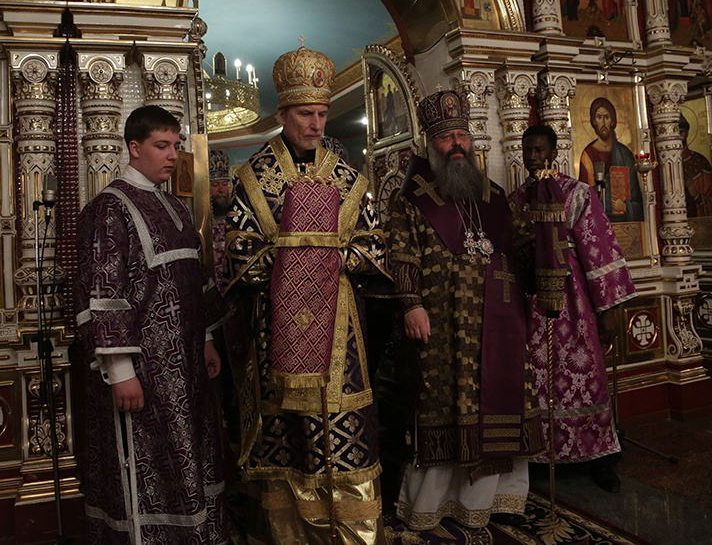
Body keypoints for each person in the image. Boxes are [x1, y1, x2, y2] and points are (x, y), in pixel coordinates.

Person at [224, 44, 391, 544]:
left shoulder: (349, 177)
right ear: (283, 114)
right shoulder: (253, 177)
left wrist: (329, 257)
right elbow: (238, 252)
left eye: (321, 113)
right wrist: (295, 260)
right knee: (288, 436)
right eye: (305, 114)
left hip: (341, 329)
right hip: (279, 328)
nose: (316, 123)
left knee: (345, 430)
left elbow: (373, 244)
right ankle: (290, 534)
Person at [384, 89, 541, 530]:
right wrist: (411, 303)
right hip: (441, 322)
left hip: (500, 322)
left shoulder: (492, 195)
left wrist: (546, 243)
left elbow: (522, 247)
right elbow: (401, 254)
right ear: (429, 144)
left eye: (462, 135)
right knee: (442, 402)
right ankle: (432, 505)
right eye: (446, 137)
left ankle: (492, 500)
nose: (456, 144)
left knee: (499, 397)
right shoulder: (412, 198)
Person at [75, 106, 228, 545]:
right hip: (145, 374)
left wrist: (208, 341)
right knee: (147, 465)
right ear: (134, 148)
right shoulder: (108, 208)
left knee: (190, 458)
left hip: (187, 370)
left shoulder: (176, 208)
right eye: (162, 146)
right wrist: (121, 371)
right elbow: (103, 292)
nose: (172, 155)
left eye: (176, 146)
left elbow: (196, 283)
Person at [511, 124, 637, 493]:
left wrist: (608, 308)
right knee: (535, 382)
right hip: (531, 304)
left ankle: (599, 456)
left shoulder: (577, 194)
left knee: (586, 380)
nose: (533, 157)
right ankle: (537, 455)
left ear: (552, 151)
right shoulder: (517, 200)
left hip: (575, 304)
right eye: (527, 150)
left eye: (539, 150)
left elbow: (597, 249)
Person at [578, 97, 644, 222]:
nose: (603, 123)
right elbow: (582, 197)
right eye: (599, 117)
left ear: (613, 122)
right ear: (593, 122)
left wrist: (625, 206)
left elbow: (637, 197)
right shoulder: (587, 155)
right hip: (599, 221)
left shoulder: (625, 154)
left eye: (606, 117)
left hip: (623, 221)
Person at [679, 115, 712, 218]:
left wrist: (695, 195)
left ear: (687, 133)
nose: (679, 137)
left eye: (682, 132)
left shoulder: (699, 163)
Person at [208, 148, 231, 287]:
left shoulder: (236, 215)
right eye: (215, 185)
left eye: (224, 184)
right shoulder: (200, 219)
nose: (221, 190)